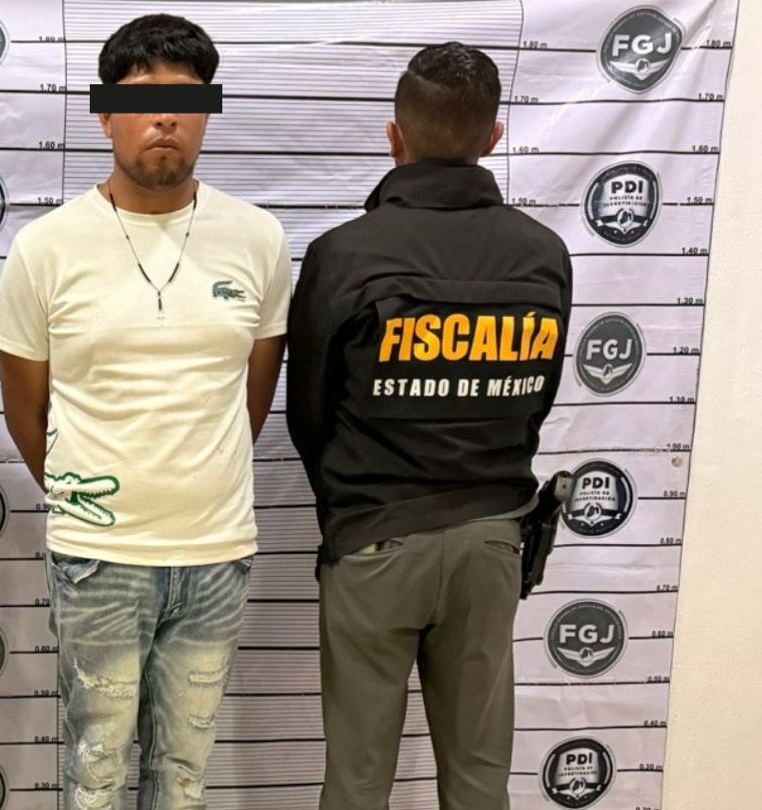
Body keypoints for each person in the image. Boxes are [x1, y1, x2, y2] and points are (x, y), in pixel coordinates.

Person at [0, 14, 290, 810]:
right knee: (94, 776)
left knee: (182, 779)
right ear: (105, 114)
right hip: (98, 558)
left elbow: (252, 395)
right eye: (144, 100)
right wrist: (89, 496)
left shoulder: (258, 240)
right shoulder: (47, 247)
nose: (166, 119)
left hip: (216, 553)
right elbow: (25, 407)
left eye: (187, 102)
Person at [286, 42, 573, 810]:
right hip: (490, 546)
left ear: (395, 136)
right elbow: (537, 399)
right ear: (494, 136)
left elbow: (307, 415)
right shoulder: (544, 255)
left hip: (374, 540)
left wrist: (357, 506)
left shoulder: (343, 255)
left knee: (356, 785)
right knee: (480, 782)